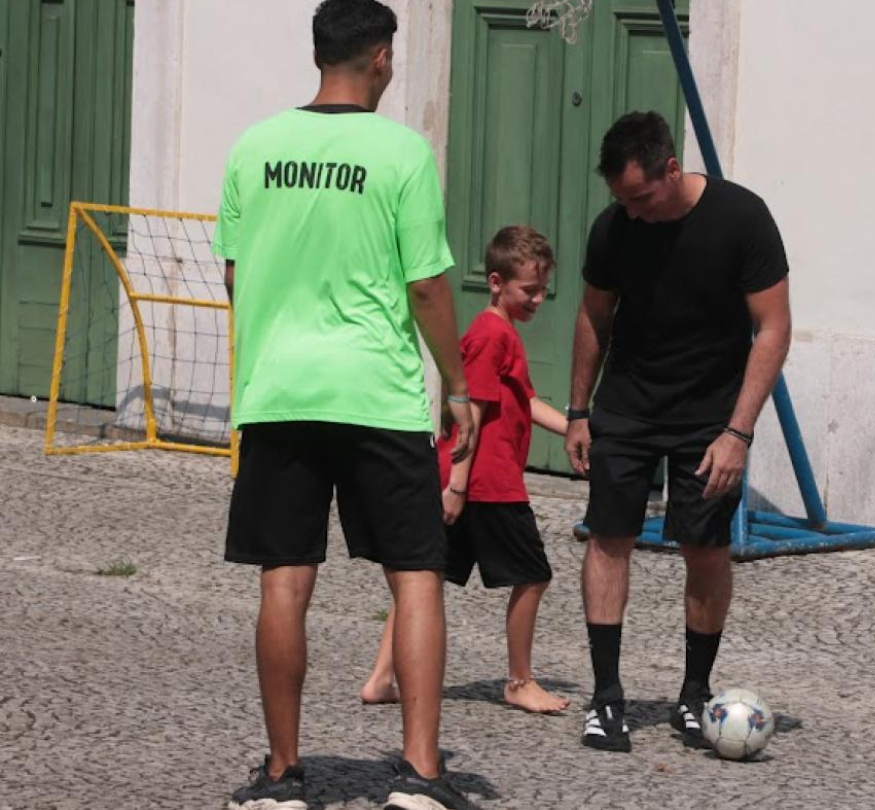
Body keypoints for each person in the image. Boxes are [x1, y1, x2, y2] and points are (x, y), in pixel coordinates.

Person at [216, 2, 477, 808]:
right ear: (382, 57)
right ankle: (423, 777)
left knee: (284, 579)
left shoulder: (254, 148)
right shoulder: (401, 152)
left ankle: (282, 774)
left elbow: (234, 275)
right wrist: (458, 386)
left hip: (281, 391)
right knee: (416, 576)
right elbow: (427, 285)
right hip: (376, 392)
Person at [564, 111, 792, 752]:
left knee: (706, 549)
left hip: (710, 416)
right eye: (620, 199)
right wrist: (579, 412)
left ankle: (695, 696)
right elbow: (592, 317)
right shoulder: (614, 228)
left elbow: (772, 328)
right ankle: (606, 699)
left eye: (640, 196)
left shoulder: (741, 218)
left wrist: (738, 433)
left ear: (671, 168)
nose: (631, 211)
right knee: (610, 538)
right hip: (628, 407)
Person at [361, 225, 572, 715]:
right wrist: (457, 485)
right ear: (496, 282)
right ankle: (520, 681)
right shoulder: (489, 334)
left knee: (423, 578)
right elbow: (471, 411)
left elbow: (526, 401)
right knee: (533, 576)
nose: (539, 299)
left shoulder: (502, 332)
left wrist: (575, 431)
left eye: (542, 289)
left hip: (476, 482)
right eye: (529, 290)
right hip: (486, 483)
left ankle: (380, 678)